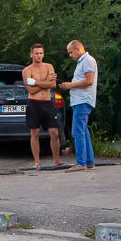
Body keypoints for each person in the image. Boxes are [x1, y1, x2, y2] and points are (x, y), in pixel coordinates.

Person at [22, 43, 63, 170]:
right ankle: (37, 161)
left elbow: (53, 85)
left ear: (43, 54)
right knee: (35, 132)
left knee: (54, 132)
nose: (39, 56)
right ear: (31, 54)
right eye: (36, 53)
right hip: (34, 103)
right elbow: (31, 90)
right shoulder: (27, 70)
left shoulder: (49, 67)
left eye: (41, 53)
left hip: (47, 102)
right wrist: (45, 82)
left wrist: (35, 82)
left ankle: (56, 160)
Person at [60, 39, 98, 172]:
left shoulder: (87, 60)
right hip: (80, 100)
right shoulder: (82, 61)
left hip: (83, 100)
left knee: (77, 131)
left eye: (71, 52)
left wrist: (71, 85)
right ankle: (89, 162)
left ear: (78, 49)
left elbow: (89, 81)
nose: (70, 55)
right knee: (83, 131)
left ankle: (81, 163)